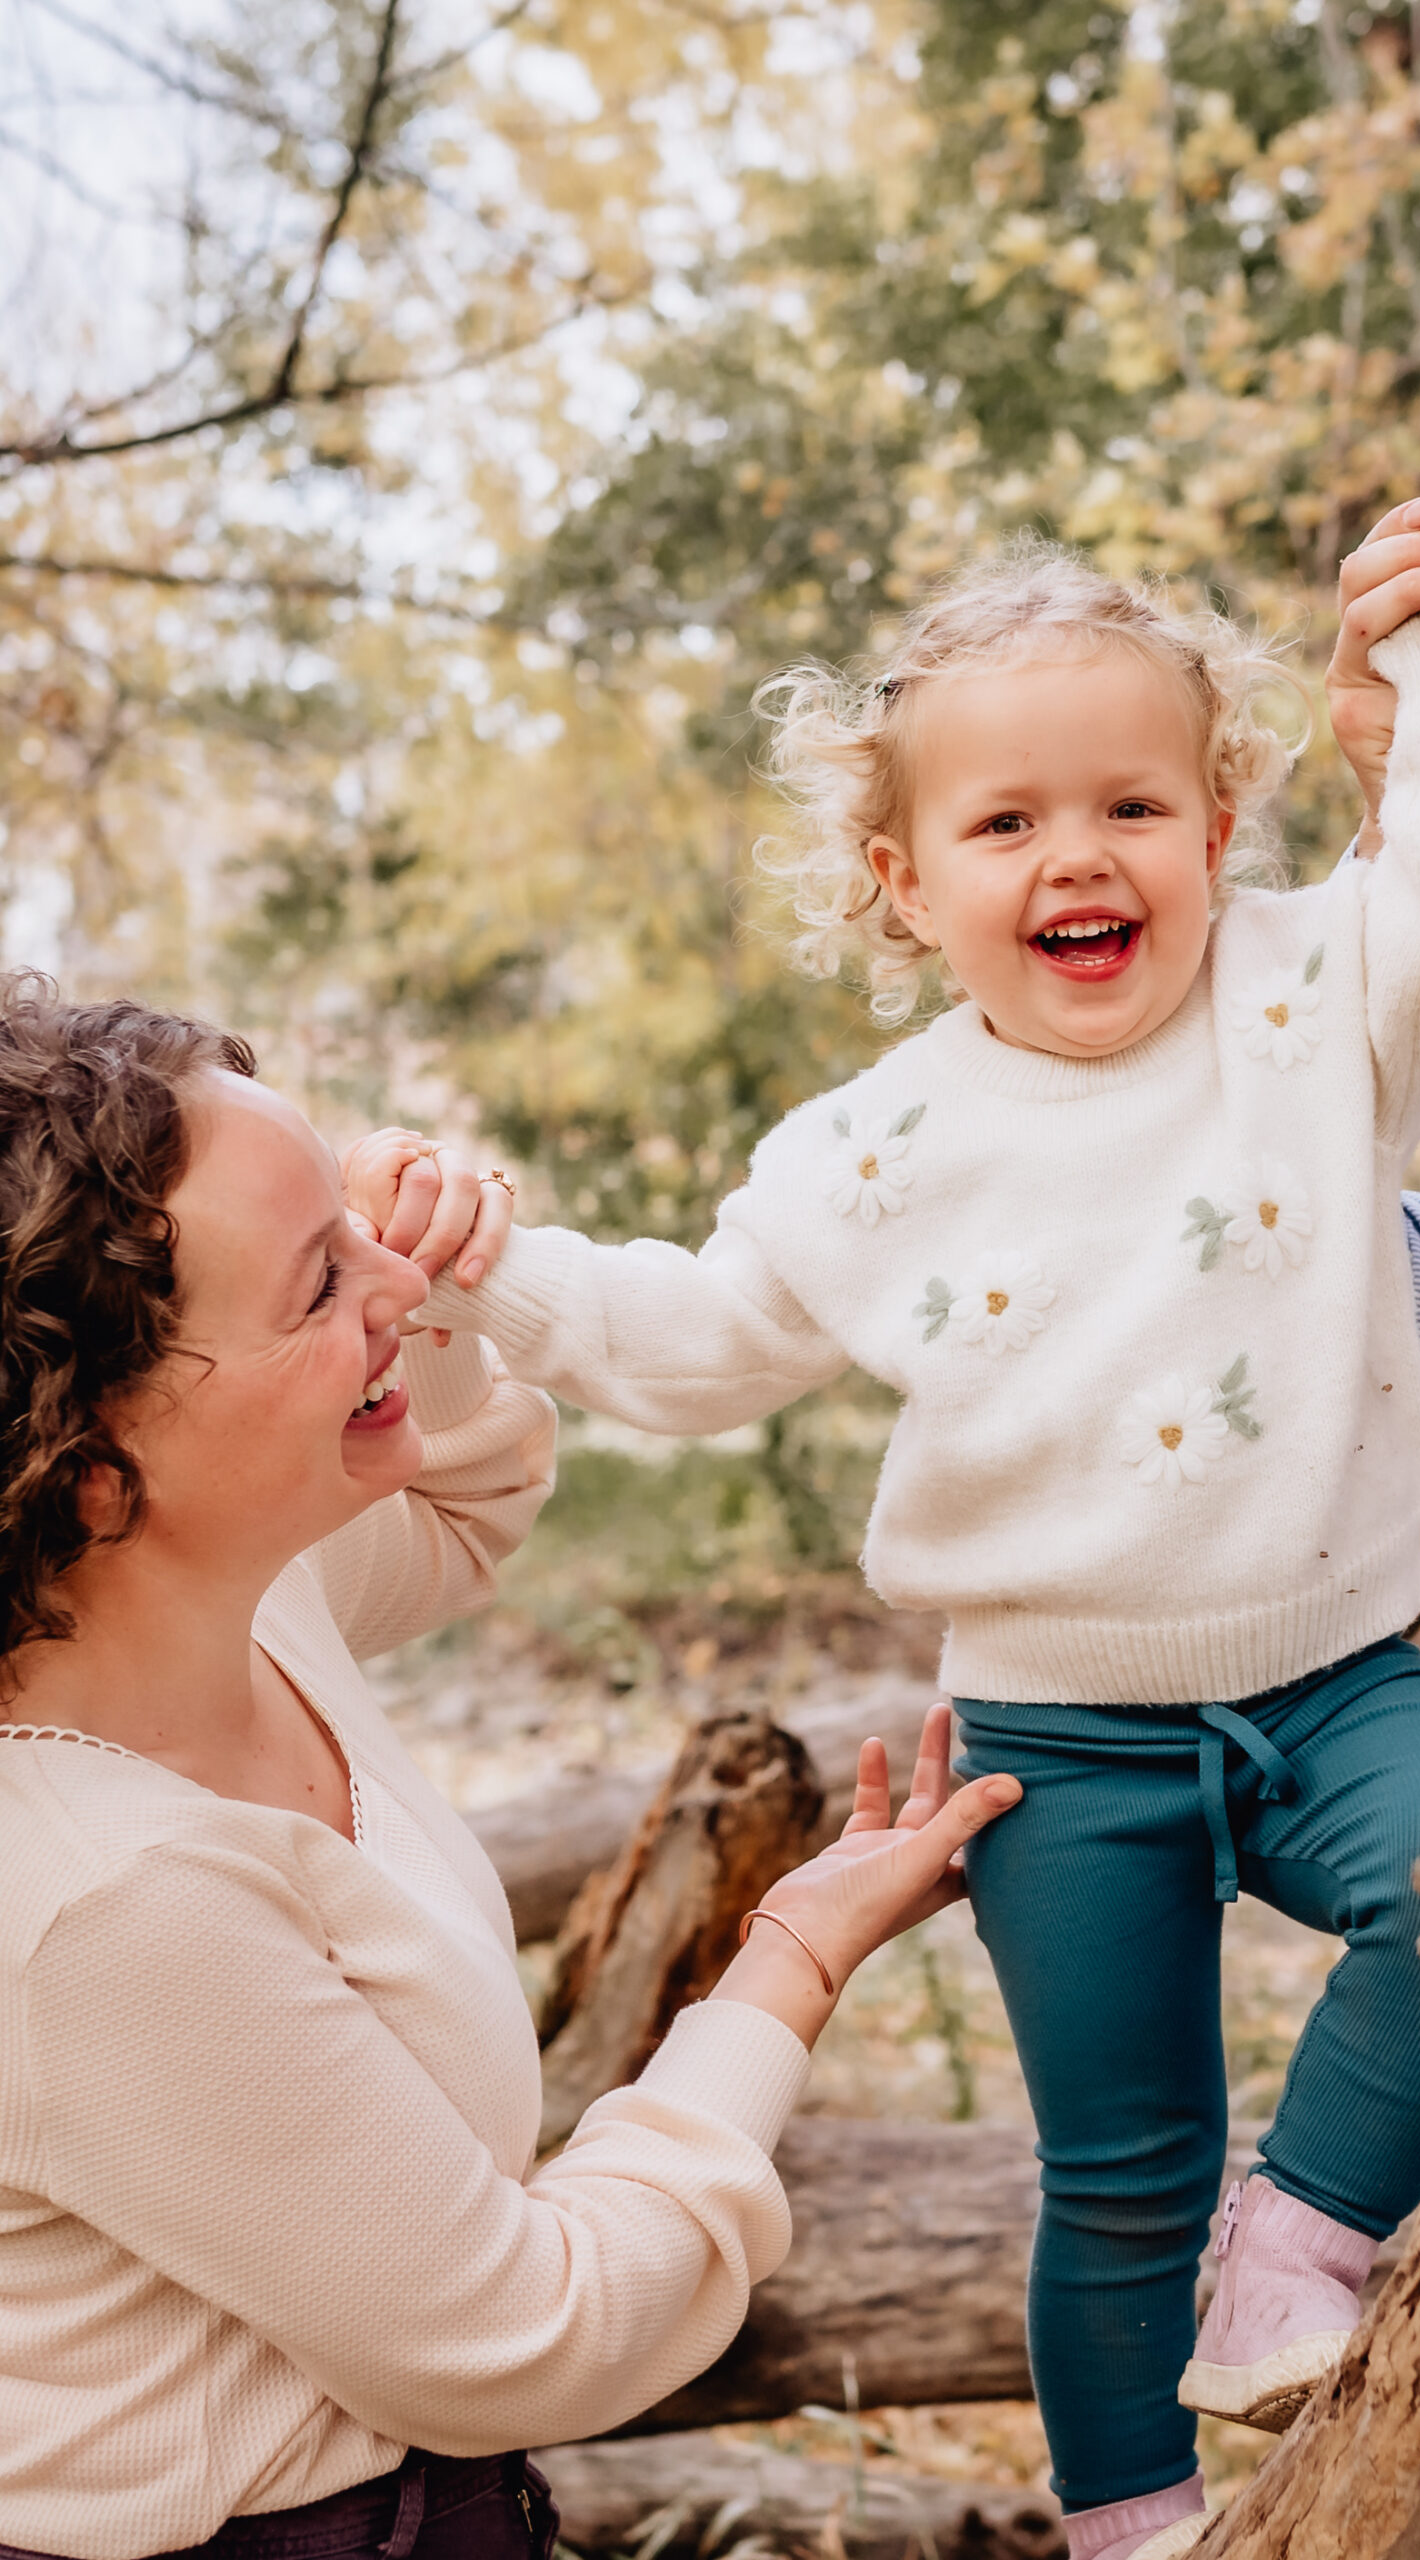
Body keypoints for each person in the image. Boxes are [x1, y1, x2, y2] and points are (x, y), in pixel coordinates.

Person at [345, 502, 1420, 2557]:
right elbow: (684, 1339)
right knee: (1115, 2170)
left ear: (1217, 819)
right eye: (1005, 824)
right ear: (902, 885)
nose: (1076, 855)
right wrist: (481, 1267)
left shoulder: (1316, 999)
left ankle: (1307, 2232)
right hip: (1055, 1741)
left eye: (1130, 803)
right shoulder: (868, 1154)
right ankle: (1131, 2525)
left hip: (1345, 1667)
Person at [0, 977, 1022, 2560]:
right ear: (99, 1464)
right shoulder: (102, 1906)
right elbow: (537, 2329)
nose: (394, 1279)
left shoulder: (232, 1600)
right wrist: (791, 1961)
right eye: (320, 1277)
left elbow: (459, 1504)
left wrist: (428, 1309)